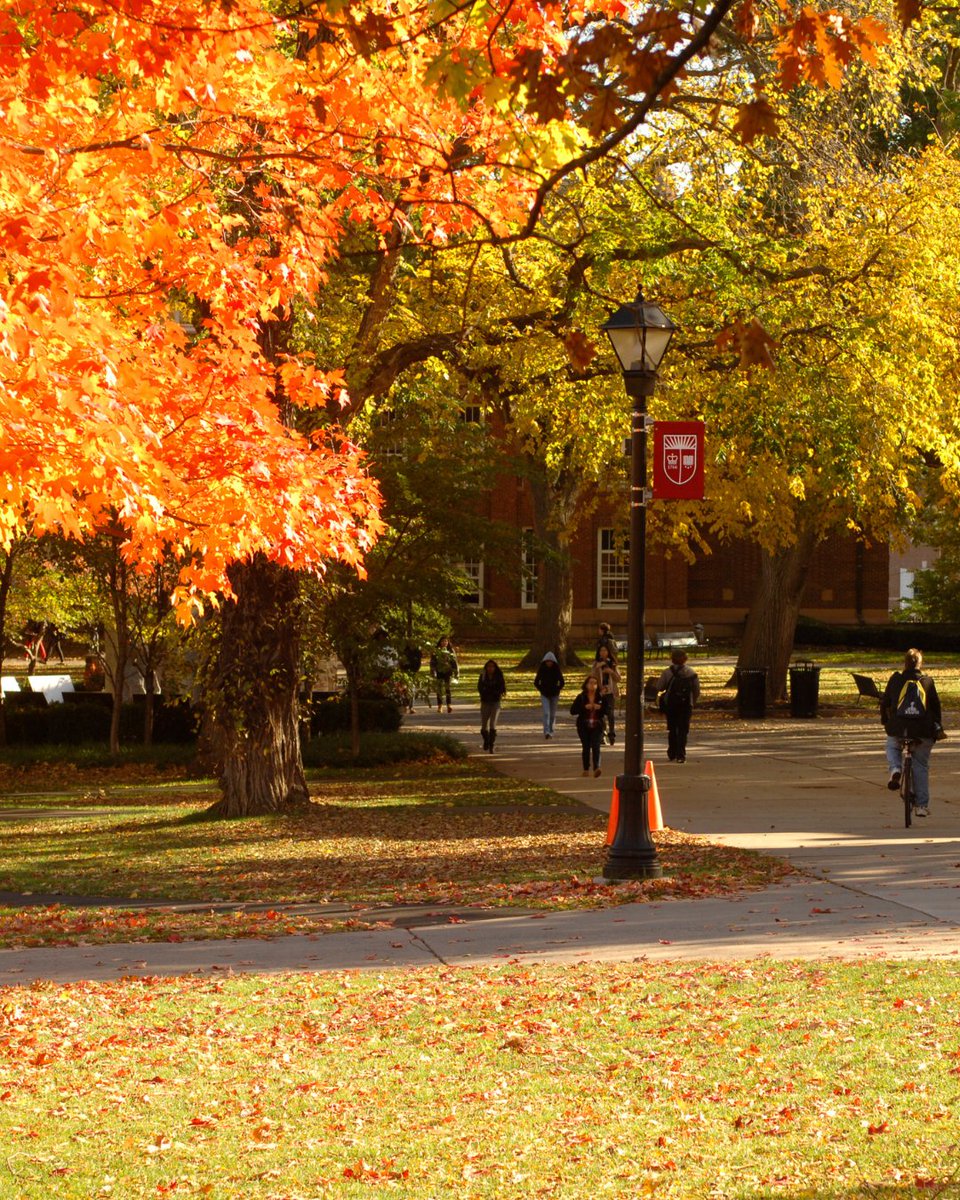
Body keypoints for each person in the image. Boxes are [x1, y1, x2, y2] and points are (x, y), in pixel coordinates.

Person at [880, 648, 944, 817]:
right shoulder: (927, 682)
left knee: (892, 744)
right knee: (920, 765)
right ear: (920, 664)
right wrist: (937, 727)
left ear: (905, 663)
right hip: (923, 731)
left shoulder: (895, 679)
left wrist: (886, 722)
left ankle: (895, 769)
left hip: (898, 728)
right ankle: (921, 806)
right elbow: (936, 708)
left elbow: (885, 703)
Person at [657, 649, 700, 763]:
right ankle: (681, 754)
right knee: (683, 730)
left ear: (672, 659)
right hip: (686, 704)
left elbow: (660, 687)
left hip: (671, 704)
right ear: (685, 659)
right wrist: (693, 701)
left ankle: (672, 752)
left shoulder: (667, 672)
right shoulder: (691, 672)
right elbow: (696, 690)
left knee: (672, 729)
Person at [570, 675, 605, 777]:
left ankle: (597, 768)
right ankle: (586, 768)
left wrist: (600, 708)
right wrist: (584, 707)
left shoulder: (601, 697)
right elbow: (573, 711)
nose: (593, 685)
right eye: (590, 683)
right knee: (586, 746)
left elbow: (608, 710)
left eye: (595, 683)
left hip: (597, 725)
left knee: (596, 745)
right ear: (586, 685)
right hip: (583, 725)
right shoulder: (581, 697)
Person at [590, 644, 621, 745]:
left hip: (610, 692)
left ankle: (611, 733)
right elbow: (591, 678)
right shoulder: (596, 664)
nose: (603, 653)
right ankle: (602, 734)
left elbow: (618, 678)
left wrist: (611, 671)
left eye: (605, 651)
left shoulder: (612, 664)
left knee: (610, 714)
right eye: (601, 651)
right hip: (600, 692)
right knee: (600, 715)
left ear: (608, 652)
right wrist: (597, 667)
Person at [533, 650, 565, 739]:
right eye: (547, 661)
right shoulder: (542, 669)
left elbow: (562, 682)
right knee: (546, 713)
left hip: (555, 695)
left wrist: (557, 689)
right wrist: (541, 689)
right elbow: (536, 682)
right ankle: (546, 731)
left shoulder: (556, 669)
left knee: (552, 714)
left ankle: (551, 731)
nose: (549, 663)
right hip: (544, 694)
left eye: (551, 661)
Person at [477, 659, 507, 752]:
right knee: (484, 725)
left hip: (495, 702)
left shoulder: (499, 676)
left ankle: (491, 745)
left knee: (492, 724)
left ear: (495, 668)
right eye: (488, 666)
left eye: (492, 667)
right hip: (485, 702)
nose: (490, 668)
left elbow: (502, 688)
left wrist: (494, 692)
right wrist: (485, 692)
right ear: (486, 668)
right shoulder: (483, 676)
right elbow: (479, 687)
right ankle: (486, 740)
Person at [430, 635, 459, 712]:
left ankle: (449, 705)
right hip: (439, 671)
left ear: (448, 642)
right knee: (439, 689)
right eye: (443, 641)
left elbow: (454, 662)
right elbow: (432, 662)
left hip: (448, 672)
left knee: (447, 689)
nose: (444, 642)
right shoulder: (436, 650)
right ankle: (440, 706)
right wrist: (433, 671)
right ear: (440, 642)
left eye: (446, 641)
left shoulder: (451, 650)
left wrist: (456, 672)